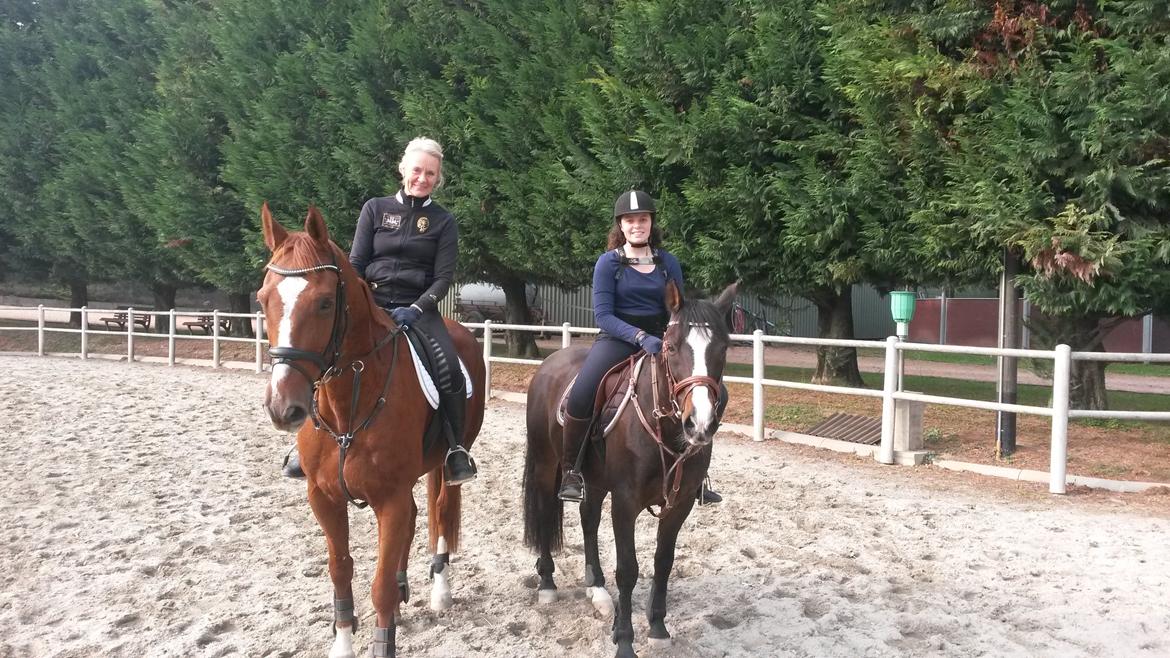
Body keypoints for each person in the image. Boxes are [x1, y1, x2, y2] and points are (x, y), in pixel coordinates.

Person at [283, 136, 477, 486]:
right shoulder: (375, 209)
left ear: (438, 178)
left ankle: (455, 449)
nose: (422, 178)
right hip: (371, 303)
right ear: (403, 169)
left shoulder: (443, 221)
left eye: (430, 174)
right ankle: (305, 443)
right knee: (322, 355)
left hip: (419, 309)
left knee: (450, 369)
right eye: (417, 170)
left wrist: (416, 309)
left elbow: (442, 278)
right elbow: (356, 263)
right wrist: (360, 304)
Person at [558, 190, 722, 505]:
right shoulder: (608, 263)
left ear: (651, 223)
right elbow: (603, 316)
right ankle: (572, 471)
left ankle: (697, 474)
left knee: (714, 391)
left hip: (664, 342)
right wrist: (639, 337)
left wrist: (671, 338)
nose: (637, 225)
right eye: (630, 220)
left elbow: (678, 308)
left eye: (642, 219)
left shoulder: (667, 262)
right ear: (620, 225)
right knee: (582, 392)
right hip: (618, 340)